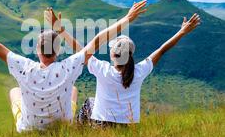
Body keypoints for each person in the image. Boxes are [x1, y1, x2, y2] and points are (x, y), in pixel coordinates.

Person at [0, 0, 147, 131]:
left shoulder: (24, 67)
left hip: (30, 130)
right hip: (61, 128)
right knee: (72, 90)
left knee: (14, 92)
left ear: (38, 50)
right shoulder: (69, 68)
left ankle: (25, 119)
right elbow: (98, 40)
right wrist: (127, 18)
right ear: (57, 51)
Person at [46, 8, 201, 127]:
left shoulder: (103, 69)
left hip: (101, 127)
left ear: (113, 54)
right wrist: (181, 32)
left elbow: (81, 50)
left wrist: (61, 31)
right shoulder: (139, 71)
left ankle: (79, 134)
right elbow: (162, 49)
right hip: (128, 127)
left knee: (88, 102)